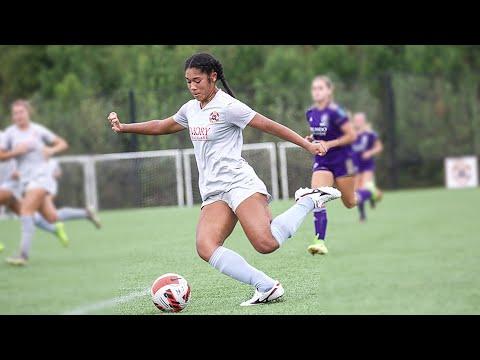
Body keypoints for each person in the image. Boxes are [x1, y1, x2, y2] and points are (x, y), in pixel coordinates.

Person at [108, 53, 342, 306]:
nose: (192, 86)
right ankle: (266, 286)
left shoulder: (229, 106)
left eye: (197, 80)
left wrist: (306, 146)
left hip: (239, 183)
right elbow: (161, 126)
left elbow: (269, 125)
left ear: (213, 77)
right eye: (188, 82)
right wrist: (124, 127)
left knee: (266, 244)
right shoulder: (190, 109)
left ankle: (306, 201)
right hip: (213, 191)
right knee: (205, 246)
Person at [0, 100, 69, 265]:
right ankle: (61, 225)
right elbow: (1, 156)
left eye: (21, 112)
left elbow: (62, 143)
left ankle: (22, 255)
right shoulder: (10, 134)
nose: (18, 116)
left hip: (40, 177)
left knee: (25, 211)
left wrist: (51, 149)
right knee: (50, 216)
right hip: (21, 180)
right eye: (15, 113)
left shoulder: (38, 131)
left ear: (28, 113)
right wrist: (16, 151)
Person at [304, 76, 358, 255]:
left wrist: (329, 144)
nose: (317, 91)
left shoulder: (337, 112)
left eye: (320, 88)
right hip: (323, 160)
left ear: (329, 91)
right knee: (317, 196)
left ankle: (364, 194)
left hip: (343, 159)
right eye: (314, 88)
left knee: (349, 202)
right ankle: (319, 241)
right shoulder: (310, 112)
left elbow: (351, 136)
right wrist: (312, 139)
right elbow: (318, 134)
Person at [351, 112, 383, 222]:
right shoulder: (351, 135)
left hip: (367, 165)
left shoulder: (370, 134)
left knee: (363, 188)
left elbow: (379, 147)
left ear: (364, 121)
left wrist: (370, 152)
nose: (358, 122)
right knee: (356, 191)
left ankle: (363, 216)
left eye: (360, 120)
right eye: (356, 120)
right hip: (356, 166)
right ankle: (370, 199)